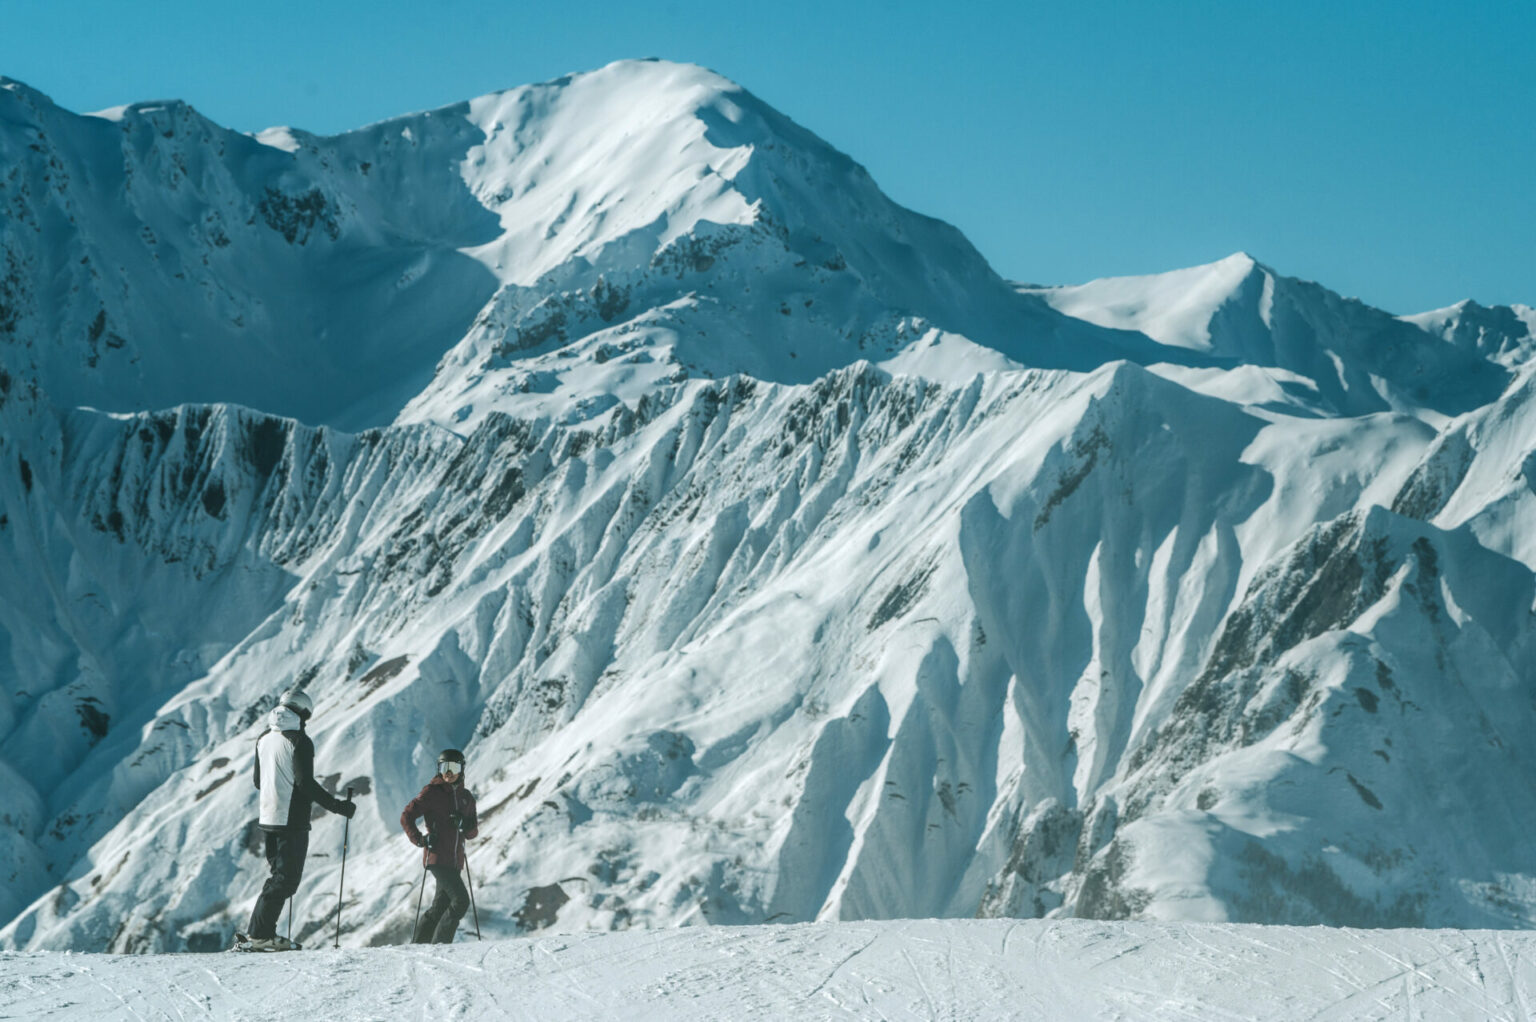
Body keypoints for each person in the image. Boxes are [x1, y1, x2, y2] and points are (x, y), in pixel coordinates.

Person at [243, 688, 357, 951]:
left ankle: (259, 933)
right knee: (286, 880)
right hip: (291, 820)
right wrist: (338, 806)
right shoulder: (300, 741)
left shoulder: (264, 738)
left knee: (278, 877)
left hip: (268, 816)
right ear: (304, 713)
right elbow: (305, 783)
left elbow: (259, 781)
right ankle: (259, 935)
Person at [401, 748, 479, 943]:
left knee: (440, 907)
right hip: (436, 857)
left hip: (455, 862)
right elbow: (407, 816)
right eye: (444, 767)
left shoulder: (467, 798)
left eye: (453, 767)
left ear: (461, 769)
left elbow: (472, 833)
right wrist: (420, 839)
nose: (448, 772)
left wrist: (464, 824)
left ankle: (419, 945)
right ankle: (441, 946)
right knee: (460, 901)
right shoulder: (432, 792)